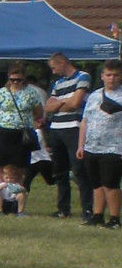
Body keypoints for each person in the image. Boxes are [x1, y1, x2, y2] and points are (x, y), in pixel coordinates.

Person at [0, 64, 44, 216]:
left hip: (21, 134)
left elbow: (39, 113)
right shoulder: (1, 93)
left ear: (24, 79)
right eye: (13, 79)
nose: (16, 82)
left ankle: (16, 205)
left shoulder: (31, 93)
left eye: (19, 80)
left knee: (19, 170)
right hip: (1, 132)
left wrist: (31, 120)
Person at [43, 51, 93, 222]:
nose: (53, 71)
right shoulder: (57, 83)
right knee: (59, 171)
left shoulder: (82, 77)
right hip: (56, 128)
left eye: (54, 67)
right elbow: (48, 107)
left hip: (73, 127)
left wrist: (60, 103)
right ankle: (63, 208)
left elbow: (76, 103)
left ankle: (88, 209)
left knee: (79, 170)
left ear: (62, 63)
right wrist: (64, 102)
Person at [75, 58, 122, 228]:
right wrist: (81, 145)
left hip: (114, 147)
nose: (112, 78)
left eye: (115, 75)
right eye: (108, 75)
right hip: (92, 146)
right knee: (96, 184)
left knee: (110, 183)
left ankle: (115, 218)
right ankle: (98, 215)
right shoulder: (94, 96)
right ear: (102, 76)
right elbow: (85, 121)